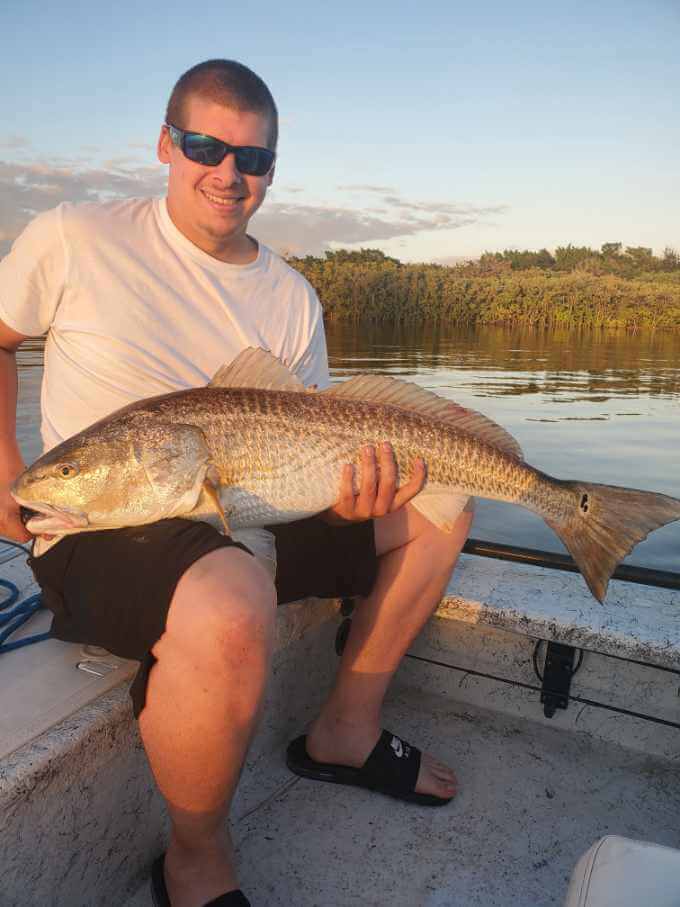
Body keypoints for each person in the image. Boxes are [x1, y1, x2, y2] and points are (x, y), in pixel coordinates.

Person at [0, 60, 472, 907]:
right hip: (114, 524)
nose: (227, 172)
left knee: (440, 507)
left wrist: (355, 493)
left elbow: (314, 441)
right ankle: (196, 856)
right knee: (229, 596)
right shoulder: (77, 234)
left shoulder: (291, 295)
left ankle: (344, 728)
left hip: (248, 493)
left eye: (251, 158)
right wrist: (9, 475)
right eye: (205, 145)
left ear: (271, 171)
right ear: (165, 143)